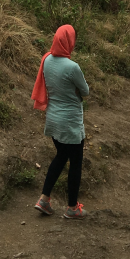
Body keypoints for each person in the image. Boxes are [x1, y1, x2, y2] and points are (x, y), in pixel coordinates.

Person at [33, 24, 90, 219]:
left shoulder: (47, 60)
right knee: (75, 163)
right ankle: (72, 207)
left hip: (53, 120)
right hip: (70, 123)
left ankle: (44, 199)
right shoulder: (72, 67)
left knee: (60, 157)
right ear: (69, 42)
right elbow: (85, 91)